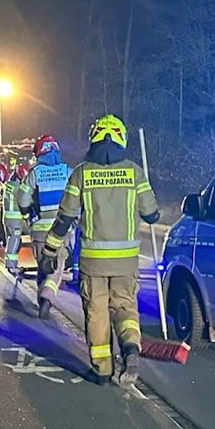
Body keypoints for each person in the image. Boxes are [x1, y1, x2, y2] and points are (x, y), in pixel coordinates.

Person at [40, 116, 159, 386]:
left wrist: (50, 249)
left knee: (97, 313)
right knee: (126, 308)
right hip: (126, 263)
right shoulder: (134, 172)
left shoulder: (81, 173)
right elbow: (152, 214)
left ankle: (102, 370)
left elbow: (65, 219)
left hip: (93, 262)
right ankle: (130, 348)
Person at [18, 134, 72, 319]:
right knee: (57, 267)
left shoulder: (35, 172)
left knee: (43, 265)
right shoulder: (67, 171)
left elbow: (23, 198)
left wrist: (27, 216)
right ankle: (47, 297)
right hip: (61, 229)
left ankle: (42, 298)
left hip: (40, 230)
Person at [1, 163, 29, 273]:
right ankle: (12, 267)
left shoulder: (9, 184)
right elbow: (25, 201)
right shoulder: (19, 188)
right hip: (15, 220)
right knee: (14, 241)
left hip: (8, 218)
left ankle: (12, 265)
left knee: (12, 240)